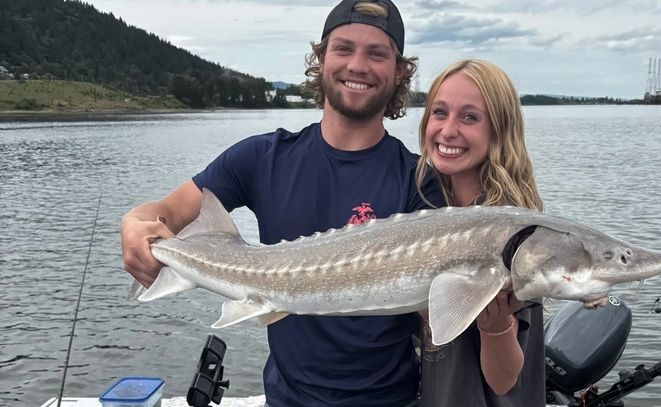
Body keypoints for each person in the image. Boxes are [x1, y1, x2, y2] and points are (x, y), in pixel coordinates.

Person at [119, 1, 444, 406]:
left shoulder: (420, 180)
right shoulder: (261, 158)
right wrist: (134, 224)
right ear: (321, 58)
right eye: (343, 48)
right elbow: (162, 213)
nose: (357, 65)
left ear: (399, 71)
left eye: (376, 53)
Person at [415, 59, 547, 406]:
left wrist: (496, 326)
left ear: (499, 130)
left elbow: (505, 380)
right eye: (439, 112)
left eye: (470, 117)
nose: (447, 130)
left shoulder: (513, 233)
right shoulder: (426, 209)